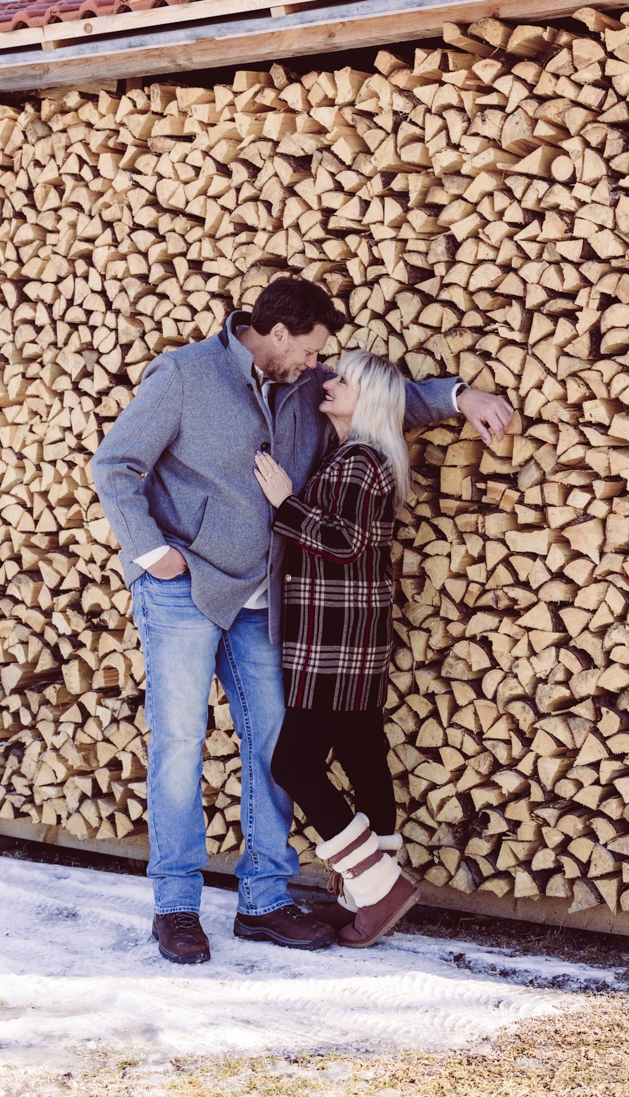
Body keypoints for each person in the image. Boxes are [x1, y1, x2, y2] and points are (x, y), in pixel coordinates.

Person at [91, 275, 513, 965]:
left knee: (273, 749)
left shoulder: (300, 389)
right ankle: (175, 905)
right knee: (177, 746)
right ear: (277, 334)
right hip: (184, 591)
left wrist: (457, 396)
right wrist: (149, 550)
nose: (319, 364)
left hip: (263, 600)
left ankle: (264, 901)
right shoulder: (184, 375)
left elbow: (388, 401)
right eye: (311, 349)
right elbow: (116, 464)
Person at [257, 349, 419, 948]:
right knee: (363, 754)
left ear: (369, 398)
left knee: (291, 764)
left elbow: (343, 542)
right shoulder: (363, 458)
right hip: (356, 639)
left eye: (343, 379)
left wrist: (285, 503)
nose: (330, 381)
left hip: (333, 644)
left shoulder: (358, 461)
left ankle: (378, 888)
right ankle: (366, 897)